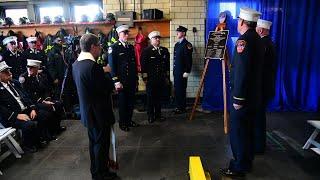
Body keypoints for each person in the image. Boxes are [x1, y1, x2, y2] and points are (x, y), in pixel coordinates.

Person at [220, 7, 264, 178]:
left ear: (243, 22)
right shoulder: (258, 39)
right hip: (253, 95)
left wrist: (238, 98)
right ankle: (246, 162)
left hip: (243, 97)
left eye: (239, 21)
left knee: (239, 133)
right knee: (248, 131)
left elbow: (242, 72)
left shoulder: (243, 41)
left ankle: (238, 167)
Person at [72, 33, 117, 180]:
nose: (100, 49)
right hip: (99, 113)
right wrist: (108, 75)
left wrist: (101, 71)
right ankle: (101, 175)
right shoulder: (93, 67)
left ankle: (96, 171)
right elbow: (105, 88)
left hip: (88, 112)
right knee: (101, 146)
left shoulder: (76, 64)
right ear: (93, 47)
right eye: (99, 46)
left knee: (94, 144)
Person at [0, 61, 52, 153]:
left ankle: (39, 138)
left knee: (43, 114)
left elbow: (26, 96)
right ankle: (27, 145)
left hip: (25, 110)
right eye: (5, 71)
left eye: (8, 70)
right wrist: (16, 115)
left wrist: (32, 108)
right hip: (11, 116)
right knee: (29, 124)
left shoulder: (14, 82)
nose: (9, 73)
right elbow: (1, 109)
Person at [19, 59, 66, 136]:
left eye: (36, 68)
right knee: (49, 108)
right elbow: (28, 94)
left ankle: (57, 127)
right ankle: (50, 132)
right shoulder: (24, 78)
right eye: (35, 69)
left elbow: (46, 89)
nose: (37, 70)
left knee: (59, 104)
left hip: (44, 99)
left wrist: (48, 99)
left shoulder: (40, 75)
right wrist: (43, 101)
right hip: (34, 102)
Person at [108, 25, 139, 132]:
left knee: (131, 102)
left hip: (131, 80)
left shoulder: (130, 47)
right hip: (121, 81)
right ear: (119, 34)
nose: (126, 35)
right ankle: (123, 123)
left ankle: (129, 120)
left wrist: (136, 79)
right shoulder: (114, 47)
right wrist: (116, 81)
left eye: (127, 33)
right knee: (122, 103)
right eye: (124, 33)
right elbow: (112, 66)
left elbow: (133, 64)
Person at [255, 19, 276, 154]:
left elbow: (258, 68)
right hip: (266, 86)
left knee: (258, 118)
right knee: (260, 117)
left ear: (261, 30)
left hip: (261, 87)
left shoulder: (262, 44)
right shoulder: (269, 42)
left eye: (256, 28)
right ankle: (259, 144)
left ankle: (258, 146)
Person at [141, 31, 170, 123]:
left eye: (158, 38)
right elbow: (143, 66)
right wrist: (145, 78)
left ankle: (158, 115)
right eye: (155, 38)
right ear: (151, 40)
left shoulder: (164, 50)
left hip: (160, 78)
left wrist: (167, 77)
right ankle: (150, 115)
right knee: (150, 98)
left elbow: (167, 66)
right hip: (151, 79)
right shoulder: (146, 51)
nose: (158, 39)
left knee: (158, 98)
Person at [173, 25, 193, 114]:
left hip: (182, 72)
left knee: (181, 90)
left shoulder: (187, 45)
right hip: (176, 71)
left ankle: (182, 107)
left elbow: (189, 59)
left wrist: (187, 71)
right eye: (177, 31)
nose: (177, 33)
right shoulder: (177, 45)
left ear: (183, 33)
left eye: (179, 32)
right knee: (177, 89)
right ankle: (178, 106)